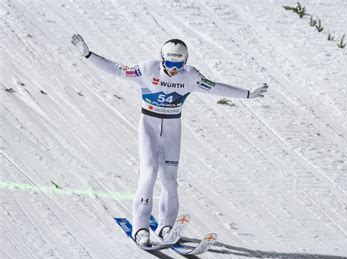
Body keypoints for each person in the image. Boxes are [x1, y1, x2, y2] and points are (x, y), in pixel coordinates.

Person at [71, 34, 268, 246]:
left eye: (178, 64)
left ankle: (166, 226)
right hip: (149, 125)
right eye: (170, 64)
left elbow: (217, 87)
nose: (174, 69)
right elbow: (118, 69)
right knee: (149, 172)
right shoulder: (148, 69)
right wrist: (89, 55)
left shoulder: (191, 76)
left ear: (185, 61)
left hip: (173, 128)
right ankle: (140, 227)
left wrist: (247, 94)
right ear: (162, 59)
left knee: (170, 178)